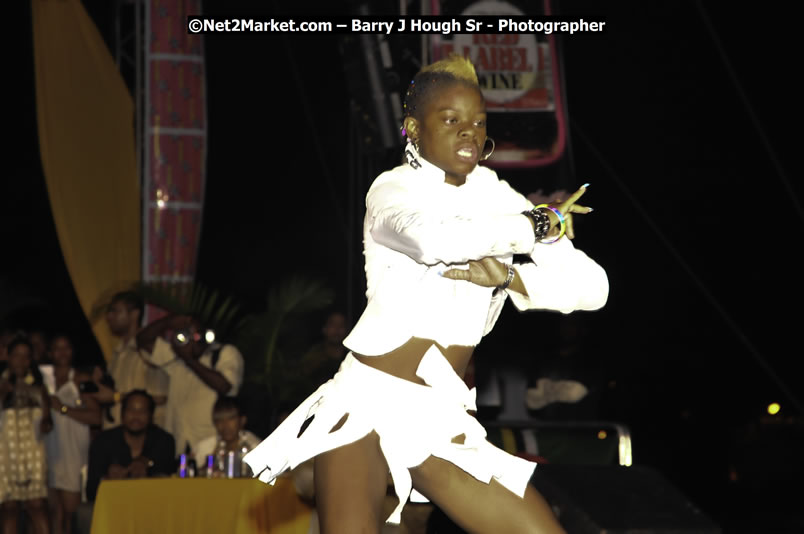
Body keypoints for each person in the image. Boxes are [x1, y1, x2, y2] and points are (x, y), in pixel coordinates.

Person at [244, 55, 608, 534]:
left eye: (478, 122)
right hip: (367, 406)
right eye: (451, 119)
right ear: (413, 129)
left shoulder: (496, 195)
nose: (469, 133)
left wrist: (509, 277)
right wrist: (537, 225)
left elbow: (593, 290)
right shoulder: (393, 191)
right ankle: (320, 472)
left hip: (441, 418)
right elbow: (434, 242)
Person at [137, 315, 244, 456]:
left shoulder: (223, 353)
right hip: (178, 444)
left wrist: (189, 359)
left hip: (212, 445)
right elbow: (142, 340)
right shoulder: (177, 355)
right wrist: (168, 322)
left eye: (197, 334)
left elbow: (225, 386)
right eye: (187, 334)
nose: (193, 340)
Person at [44, 334, 101, 534]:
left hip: (73, 453)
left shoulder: (81, 380)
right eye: (57, 348)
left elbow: (96, 417)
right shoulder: (43, 380)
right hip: (49, 451)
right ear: (49, 353)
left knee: (72, 514)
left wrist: (64, 409)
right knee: (54, 513)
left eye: (66, 347)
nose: (62, 353)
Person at [0, 335, 53, 534]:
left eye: (26, 356)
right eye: (16, 355)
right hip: (5, 452)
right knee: (9, 507)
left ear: (31, 360)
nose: (21, 361)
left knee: (37, 505)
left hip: (33, 452)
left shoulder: (39, 387)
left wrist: (46, 422)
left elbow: (48, 422)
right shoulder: (2, 383)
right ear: (8, 356)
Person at [84, 390, 175, 502]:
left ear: (151, 416)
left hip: (153, 505)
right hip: (115, 506)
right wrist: (107, 480)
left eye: (142, 411)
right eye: (131, 410)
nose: (136, 416)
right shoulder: (103, 442)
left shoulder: (164, 440)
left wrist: (147, 467)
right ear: (122, 414)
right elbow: (91, 492)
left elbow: (169, 486)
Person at [94, 292, 168, 428]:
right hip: (115, 435)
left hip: (144, 439)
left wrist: (115, 397)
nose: (109, 317)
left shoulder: (149, 349)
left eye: (115, 311)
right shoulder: (118, 351)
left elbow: (162, 398)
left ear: (134, 314)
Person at [193, 396, 261, 473]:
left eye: (231, 419)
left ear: (242, 420)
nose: (225, 426)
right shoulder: (204, 447)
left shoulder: (255, 447)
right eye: (219, 420)